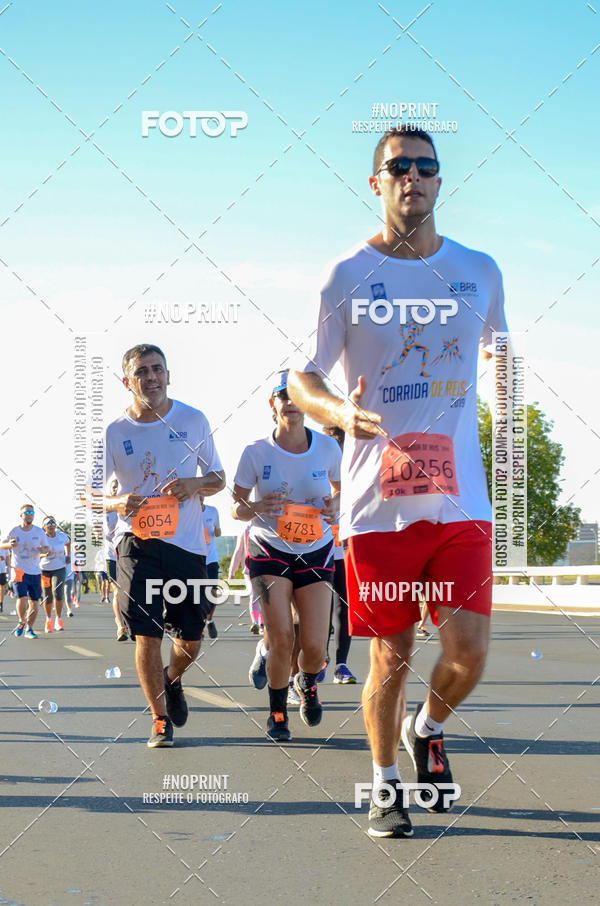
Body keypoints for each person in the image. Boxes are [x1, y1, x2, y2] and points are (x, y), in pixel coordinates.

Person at [288, 125, 507, 838]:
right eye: (398, 167)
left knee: (468, 653)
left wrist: (503, 407)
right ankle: (384, 786)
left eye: (426, 167)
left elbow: (496, 356)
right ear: (376, 183)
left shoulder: (479, 270)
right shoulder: (345, 276)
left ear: (440, 182)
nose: (413, 176)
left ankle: (428, 724)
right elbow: (304, 375)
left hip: (461, 497)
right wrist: (333, 410)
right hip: (378, 503)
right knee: (391, 654)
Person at [91, 343, 225, 748]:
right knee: (146, 635)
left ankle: (172, 679)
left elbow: (218, 478)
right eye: (142, 371)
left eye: (157, 369)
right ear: (126, 380)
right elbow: (88, 492)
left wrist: (194, 485)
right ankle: (159, 719)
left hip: (186, 546)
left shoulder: (193, 419)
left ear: (168, 374)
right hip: (137, 543)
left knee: (191, 638)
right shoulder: (115, 432)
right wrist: (115, 502)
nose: (151, 377)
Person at [232, 370, 341, 742]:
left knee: (314, 646)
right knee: (281, 637)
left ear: (306, 404)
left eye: (297, 396)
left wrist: (335, 504)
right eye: (283, 395)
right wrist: (257, 505)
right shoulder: (255, 452)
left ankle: (306, 682)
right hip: (269, 548)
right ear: (273, 404)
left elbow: (344, 490)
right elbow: (236, 507)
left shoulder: (327, 447)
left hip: (315, 548)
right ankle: (277, 712)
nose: (290, 403)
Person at [322, 426, 357, 685]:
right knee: (318, 610)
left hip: (345, 552)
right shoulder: (317, 470)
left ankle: (341, 665)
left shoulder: (356, 477)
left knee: (344, 609)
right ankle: (318, 658)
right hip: (317, 550)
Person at [1, 504, 49, 639]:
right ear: (21, 515)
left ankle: (29, 628)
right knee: (22, 598)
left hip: (35, 571)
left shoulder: (39, 532)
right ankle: (21, 620)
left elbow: (46, 548)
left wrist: (42, 550)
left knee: (34, 603)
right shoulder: (14, 531)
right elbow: (1, 544)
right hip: (18, 570)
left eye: (31, 512)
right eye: (26, 512)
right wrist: (9, 545)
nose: (29, 514)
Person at [40, 516, 70, 632]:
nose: (51, 525)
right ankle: (48, 620)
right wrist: (43, 555)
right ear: (44, 527)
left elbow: (68, 543)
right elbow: (33, 553)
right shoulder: (40, 538)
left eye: (53, 523)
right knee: (47, 597)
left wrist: (67, 555)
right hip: (44, 569)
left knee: (58, 593)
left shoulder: (62, 536)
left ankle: (58, 619)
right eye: (48, 523)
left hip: (59, 568)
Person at [200, 497, 221, 640]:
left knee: (213, 592)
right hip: (194, 557)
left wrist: (216, 530)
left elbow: (218, 532)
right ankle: (199, 626)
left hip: (211, 557)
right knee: (197, 593)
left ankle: (209, 619)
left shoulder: (212, 511)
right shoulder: (187, 512)